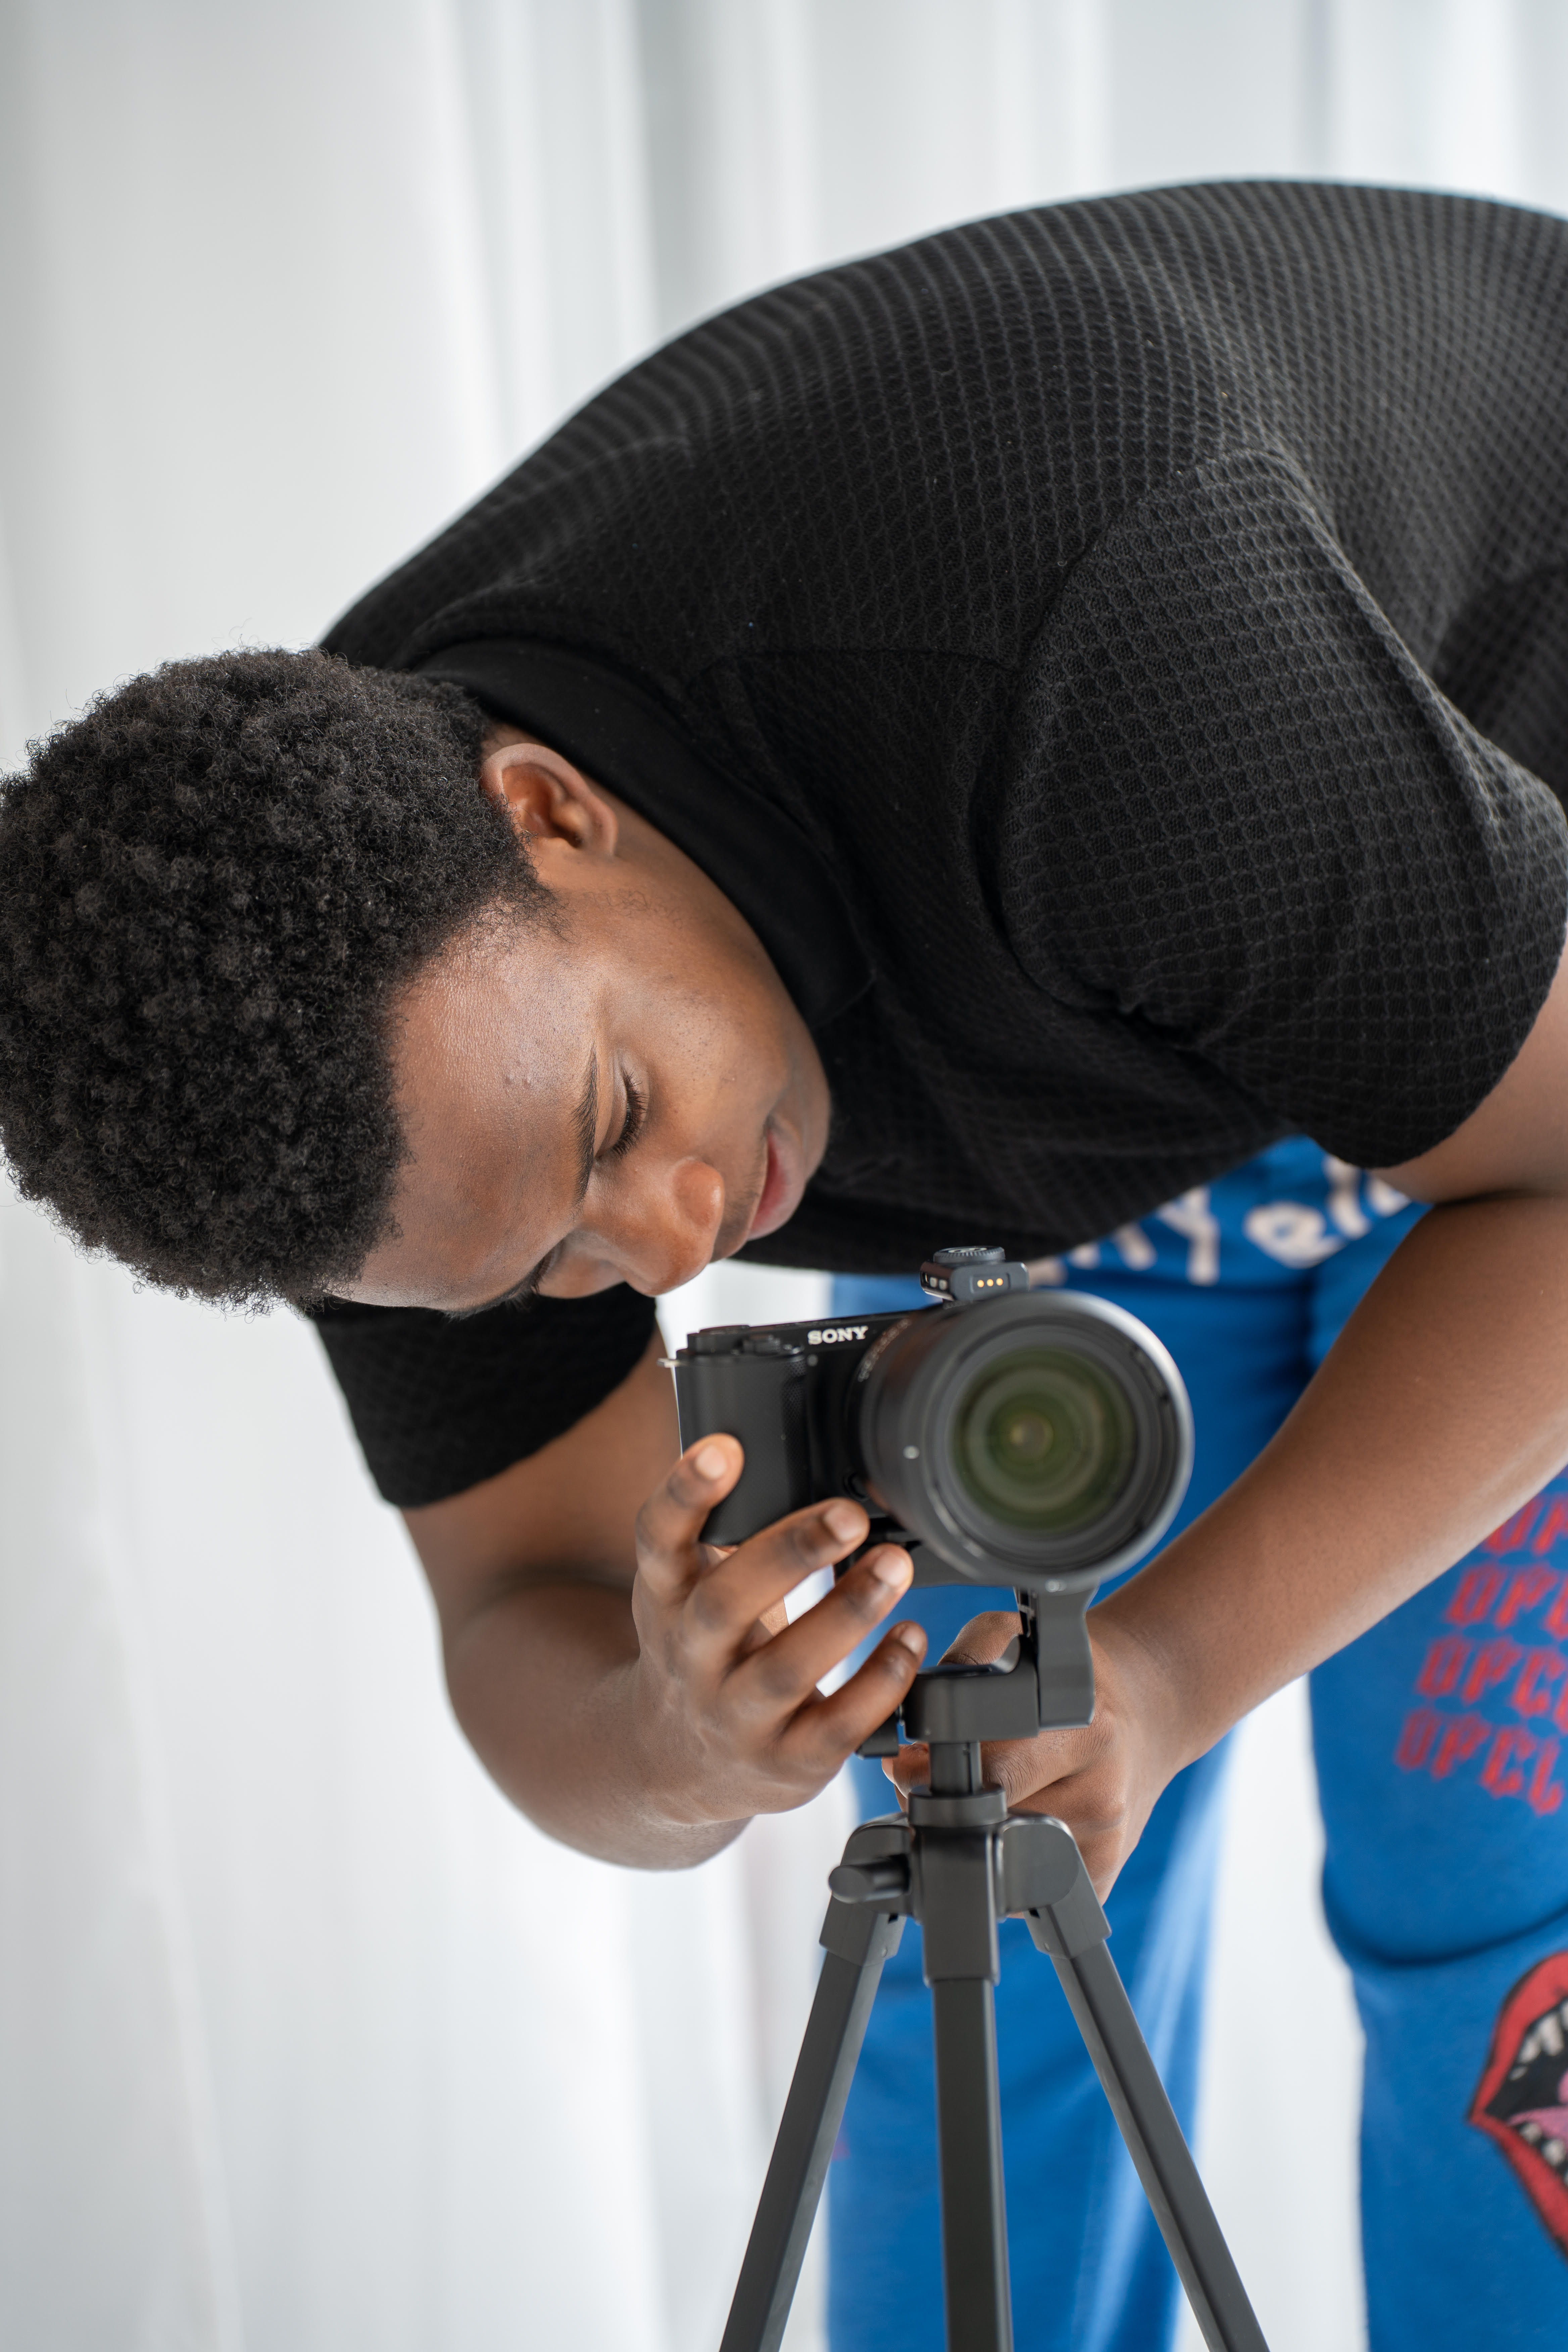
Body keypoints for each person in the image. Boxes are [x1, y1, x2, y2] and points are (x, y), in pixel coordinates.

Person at [2, 181, 1568, 2345]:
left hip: (1486, 938)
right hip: (1112, 1014)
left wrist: (1178, 1665)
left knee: (1495, 1922)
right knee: (984, 1899)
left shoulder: (1098, 644)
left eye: (615, 1124)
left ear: (553, 813)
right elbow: (522, 1610)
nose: (666, 1248)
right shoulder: (356, 1050)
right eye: (545, 1272)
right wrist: (676, 1737)